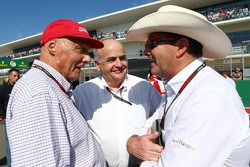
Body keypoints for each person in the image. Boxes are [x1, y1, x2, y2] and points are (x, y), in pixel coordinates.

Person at [126, 5, 250, 167]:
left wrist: (141, 155)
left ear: (181, 47)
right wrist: (132, 143)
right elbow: (145, 129)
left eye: (152, 44)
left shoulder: (209, 95)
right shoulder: (181, 87)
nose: (146, 51)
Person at [6, 19, 106, 166]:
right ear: (52, 47)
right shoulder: (39, 91)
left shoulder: (50, 85)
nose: (87, 58)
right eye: (80, 49)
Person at [73, 38, 162, 166]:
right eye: (111, 59)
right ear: (98, 65)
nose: (119, 64)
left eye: (122, 58)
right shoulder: (82, 93)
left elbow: (163, 120)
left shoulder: (145, 87)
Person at [0, 68, 20, 166]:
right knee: (9, 144)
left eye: (18, 75)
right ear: (9, 76)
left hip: (20, 119)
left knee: (19, 143)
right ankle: (10, 164)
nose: (17, 77)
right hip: (8, 120)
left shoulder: (19, 87)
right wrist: (2, 116)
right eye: (14, 76)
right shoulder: (3, 88)